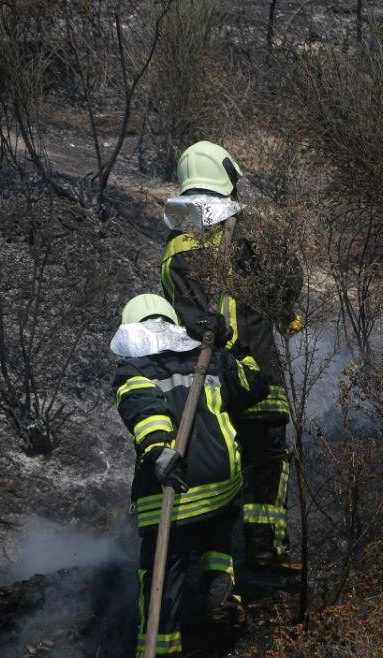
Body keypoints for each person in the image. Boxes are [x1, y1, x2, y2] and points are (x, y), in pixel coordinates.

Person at [160, 140, 304, 570]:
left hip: (203, 383)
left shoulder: (174, 244)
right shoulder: (247, 235)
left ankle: (217, 571)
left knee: (219, 467)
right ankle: (266, 554)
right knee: (266, 461)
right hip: (258, 371)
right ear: (226, 179)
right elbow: (288, 281)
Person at [110, 293, 266, 658]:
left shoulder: (133, 370)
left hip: (172, 487)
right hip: (221, 480)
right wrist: (231, 349)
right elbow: (255, 385)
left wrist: (160, 451)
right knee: (218, 537)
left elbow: (145, 411)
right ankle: (220, 598)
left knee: (163, 574)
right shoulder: (207, 358)